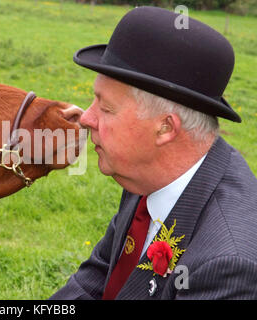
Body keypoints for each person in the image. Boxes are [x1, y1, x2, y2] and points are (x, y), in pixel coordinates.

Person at [51, 6, 257, 300]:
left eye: (107, 108)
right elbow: (95, 279)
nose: (87, 118)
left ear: (165, 128)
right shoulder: (149, 176)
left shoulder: (228, 265)